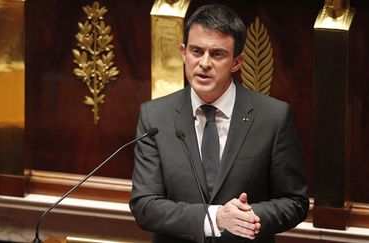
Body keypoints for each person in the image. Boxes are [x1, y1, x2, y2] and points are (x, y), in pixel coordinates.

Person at [130, 4, 309, 243]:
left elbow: (295, 201)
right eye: (196, 51)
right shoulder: (155, 117)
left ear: (237, 62)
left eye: (217, 54)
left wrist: (247, 218)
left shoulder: (273, 118)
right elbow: (145, 205)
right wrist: (217, 218)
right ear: (183, 53)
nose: (204, 63)